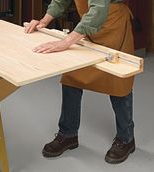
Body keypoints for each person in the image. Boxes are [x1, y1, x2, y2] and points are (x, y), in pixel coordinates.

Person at [25, 0, 135, 164]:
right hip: (88, 28)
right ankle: (67, 134)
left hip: (113, 27)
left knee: (118, 82)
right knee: (72, 76)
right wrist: (44, 21)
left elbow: (98, 10)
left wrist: (66, 42)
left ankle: (126, 139)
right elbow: (61, 1)